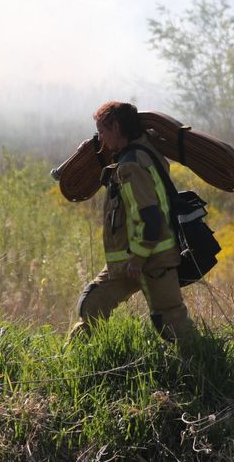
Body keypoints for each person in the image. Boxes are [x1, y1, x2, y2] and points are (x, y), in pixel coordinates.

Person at [68, 101, 197, 344]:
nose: (101, 140)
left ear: (116, 127)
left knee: (172, 322)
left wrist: (137, 258)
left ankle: (205, 366)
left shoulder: (131, 165)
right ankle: (71, 360)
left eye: (102, 132)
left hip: (150, 260)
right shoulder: (146, 149)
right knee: (92, 306)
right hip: (131, 260)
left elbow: (149, 216)